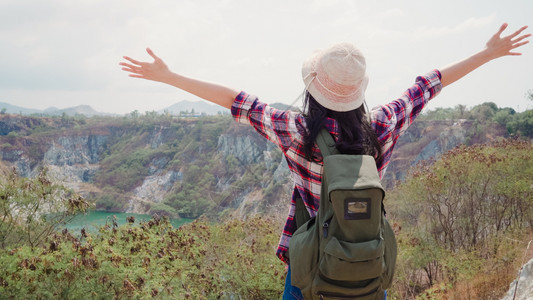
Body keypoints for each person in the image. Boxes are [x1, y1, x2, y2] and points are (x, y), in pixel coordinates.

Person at [120, 23, 530, 299]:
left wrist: (169, 77)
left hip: (310, 267)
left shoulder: (293, 129)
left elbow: (235, 100)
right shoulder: (382, 126)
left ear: (313, 86)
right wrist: (488, 53)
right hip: (367, 264)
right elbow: (427, 85)